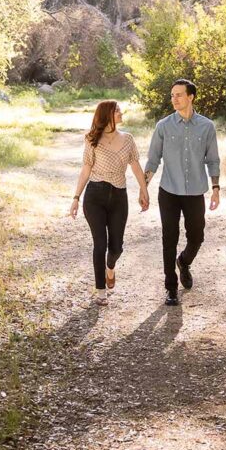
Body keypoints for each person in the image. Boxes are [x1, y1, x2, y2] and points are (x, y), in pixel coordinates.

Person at [144, 79, 221, 306]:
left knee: (197, 236)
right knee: (169, 238)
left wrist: (215, 188)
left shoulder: (206, 126)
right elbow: (152, 160)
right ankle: (171, 287)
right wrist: (143, 187)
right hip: (168, 190)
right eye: (172, 95)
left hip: (195, 191)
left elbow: (213, 160)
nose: (174, 99)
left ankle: (184, 261)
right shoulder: (163, 126)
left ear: (191, 97)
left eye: (179, 95)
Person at [70, 100, 150, 306]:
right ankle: (100, 290)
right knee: (100, 243)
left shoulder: (128, 139)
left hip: (119, 196)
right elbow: (86, 169)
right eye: (117, 110)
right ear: (107, 115)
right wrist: (76, 198)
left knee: (116, 247)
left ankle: (110, 267)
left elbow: (135, 166)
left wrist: (144, 189)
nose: (121, 113)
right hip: (94, 195)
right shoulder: (92, 139)